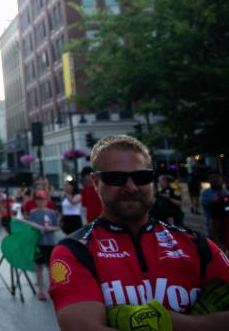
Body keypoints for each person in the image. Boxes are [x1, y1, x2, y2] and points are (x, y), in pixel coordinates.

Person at [49, 135, 229, 331]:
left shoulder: (195, 243)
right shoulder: (74, 251)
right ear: (95, 182)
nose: (131, 187)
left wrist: (169, 321)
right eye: (116, 178)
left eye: (141, 177)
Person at [28, 189, 60, 301]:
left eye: (42, 199)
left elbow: (57, 227)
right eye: (38, 199)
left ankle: (54, 288)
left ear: (46, 200)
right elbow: (30, 228)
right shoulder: (33, 213)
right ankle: (41, 291)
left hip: (50, 243)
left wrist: (49, 228)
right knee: (39, 267)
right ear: (35, 201)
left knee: (52, 268)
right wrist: (36, 228)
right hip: (39, 244)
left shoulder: (51, 213)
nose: (40, 202)